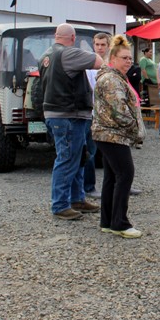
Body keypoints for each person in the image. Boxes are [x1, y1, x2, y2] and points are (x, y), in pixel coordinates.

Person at [40, 23, 103, 220]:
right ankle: (60, 204)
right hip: (68, 114)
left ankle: (77, 198)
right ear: (73, 38)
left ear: (55, 35)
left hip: (59, 114)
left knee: (78, 157)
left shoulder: (45, 56)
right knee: (67, 159)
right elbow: (99, 61)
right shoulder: (67, 54)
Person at [92, 35, 145, 239]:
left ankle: (108, 221)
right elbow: (120, 111)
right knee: (125, 174)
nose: (128, 61)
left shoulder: (114, 77)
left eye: (130, 58)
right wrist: (135, 129)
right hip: (112, 135)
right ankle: (120, 223)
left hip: (107, 134)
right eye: (124, 58)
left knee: (112, 177)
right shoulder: (112, 80)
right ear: (113, 59)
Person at [84, 32, 112, 198]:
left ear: (108, 46)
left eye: (103, 44)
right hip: (93, 113)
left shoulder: (111, 64)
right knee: (91, 150)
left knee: (113, 150)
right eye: (97, 44)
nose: (100, 48)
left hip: (108, 114)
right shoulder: (89, 65)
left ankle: (118, 182)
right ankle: (89, 186)